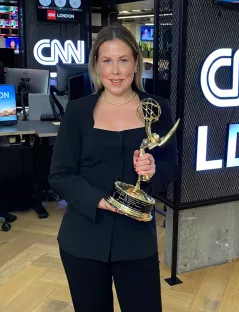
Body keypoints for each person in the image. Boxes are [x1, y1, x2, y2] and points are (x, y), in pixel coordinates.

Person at [48, 24, 179, 311]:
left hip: (136, 241)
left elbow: (172, 166)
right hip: (83, 240)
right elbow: (60, 174)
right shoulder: (78, 111)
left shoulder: (158, 108)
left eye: (123, 60)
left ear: (135, 62)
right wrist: (100, 201)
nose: (116, 71)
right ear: (97, 64)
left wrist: (154, 170)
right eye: (107, 61)